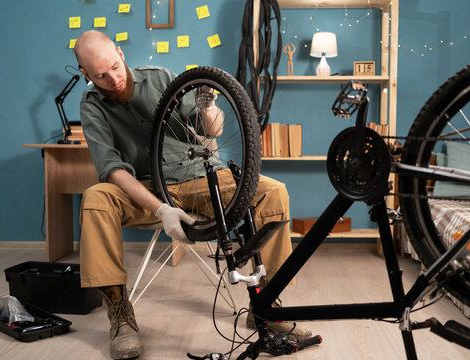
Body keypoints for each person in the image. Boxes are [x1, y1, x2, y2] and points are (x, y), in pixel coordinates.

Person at [74, 30, 312, 359]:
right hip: (147, 187)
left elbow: (211, 130)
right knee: (96, 198)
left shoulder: (162, 79)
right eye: (100, 75)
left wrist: (208, 106)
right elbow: (113, 170)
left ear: (120, 53)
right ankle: (120, 316)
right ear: (85, 75)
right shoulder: (91, 106)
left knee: (273, 192)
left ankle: (267, 307)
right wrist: (161, 211)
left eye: (114, 66)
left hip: (199, 175)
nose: (112, 79)